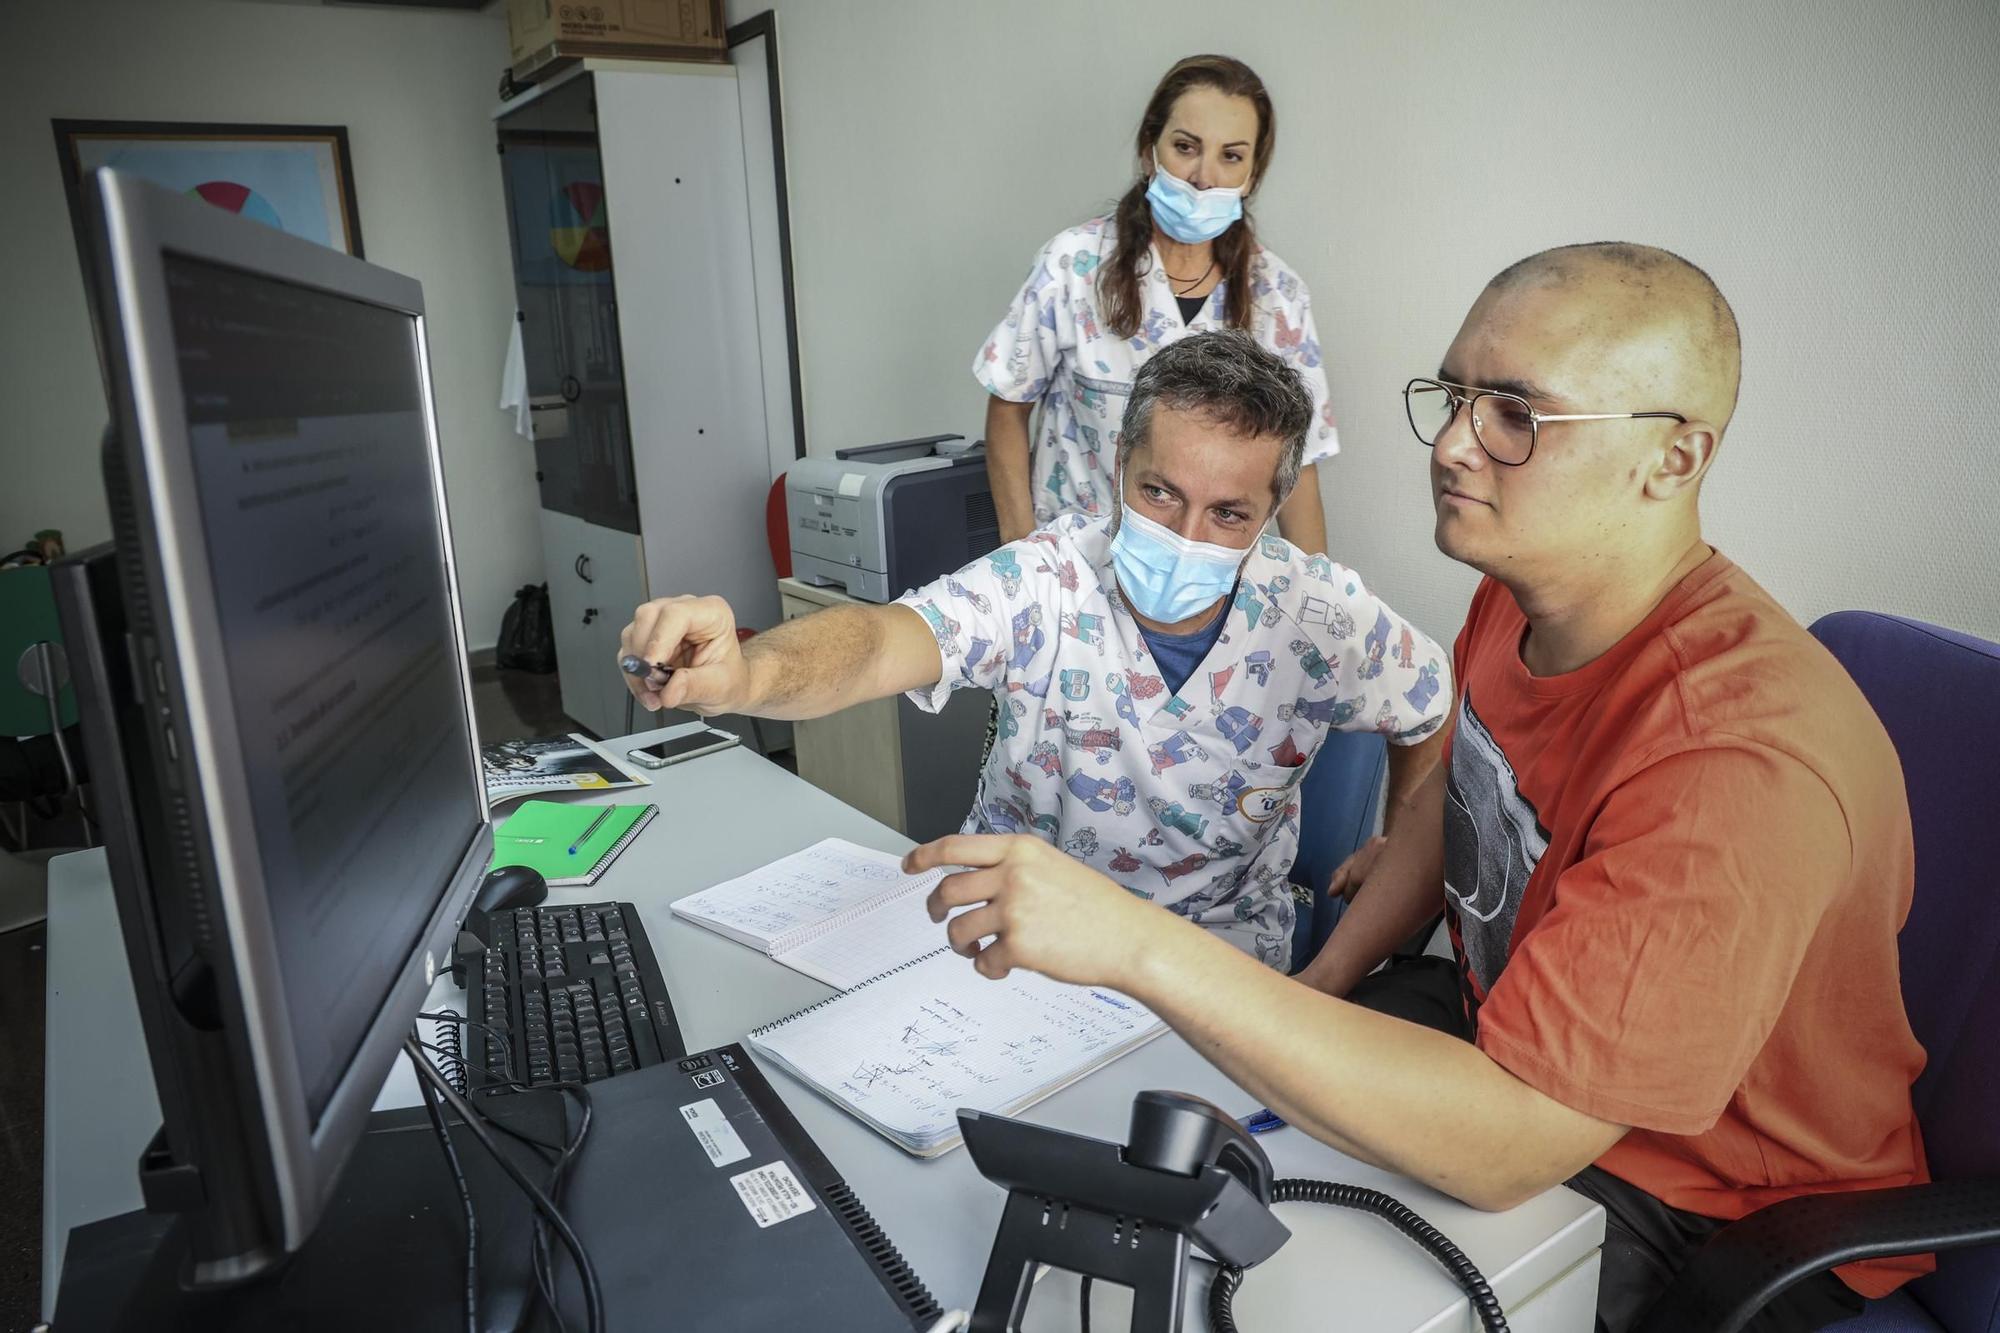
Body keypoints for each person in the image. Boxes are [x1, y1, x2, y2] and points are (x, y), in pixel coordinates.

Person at [907, 245, 1930, 1331]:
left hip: (1706, 1193)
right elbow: (1468, 798)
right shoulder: (1520, 598)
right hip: (1513, 1040)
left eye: (1514, 415)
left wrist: (1136, 942)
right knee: (1188, 1161)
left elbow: (1507, 1149)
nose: (1450, 445)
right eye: (1453, 398)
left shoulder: (1730, 767)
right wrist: (1332, 971)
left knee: (1302, 1296)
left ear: (1671, 459)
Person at [620, 331, 1450, 966]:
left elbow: (1430, 708)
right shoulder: (1047, 580)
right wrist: (749, 671)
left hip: (1214, 964)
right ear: (1119, 466)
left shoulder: (1319, 616)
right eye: (1158, 492)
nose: (1186, 537)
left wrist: (1397, 843)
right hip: (1017, 938)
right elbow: (877, 644)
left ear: (1271, 510)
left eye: (1228, 513)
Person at [979, 54, 1339, 555]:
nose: (1203, 176)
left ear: (1253, 175)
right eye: (1186, 147)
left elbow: (1299, 464)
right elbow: (1008, 405)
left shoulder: (1278, 295)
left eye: (1231, 156)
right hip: (1075, 565)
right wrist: (1017, 548)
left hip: (1211, 574)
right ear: (1151, 152)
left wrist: (1316, 593)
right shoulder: (1073, 265)